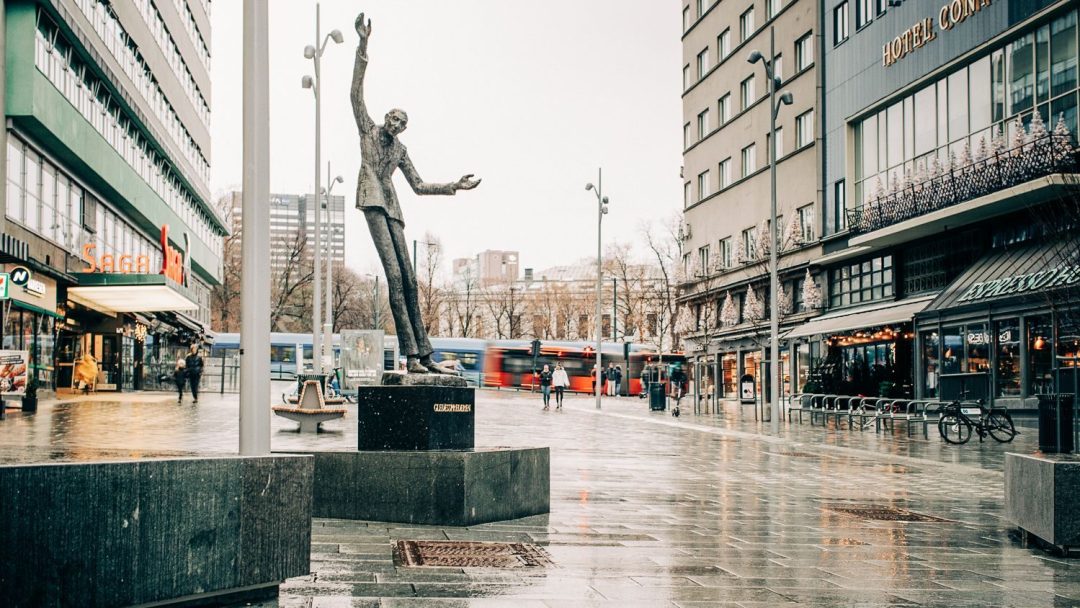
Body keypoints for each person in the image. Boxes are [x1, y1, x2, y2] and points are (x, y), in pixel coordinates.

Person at [351, 13, 480, 374]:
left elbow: (419, 185)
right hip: (372, 200)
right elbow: (355, 94)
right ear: (386, 117)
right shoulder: (367, 130)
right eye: (393, 119)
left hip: (393, 207)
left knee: (409, 280)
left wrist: (453, 185)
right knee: (394, 278)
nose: (396, 125)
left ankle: (424, 356)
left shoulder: (400, 150)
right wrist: (363, 45)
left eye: (402, 123)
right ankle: (411, 356)